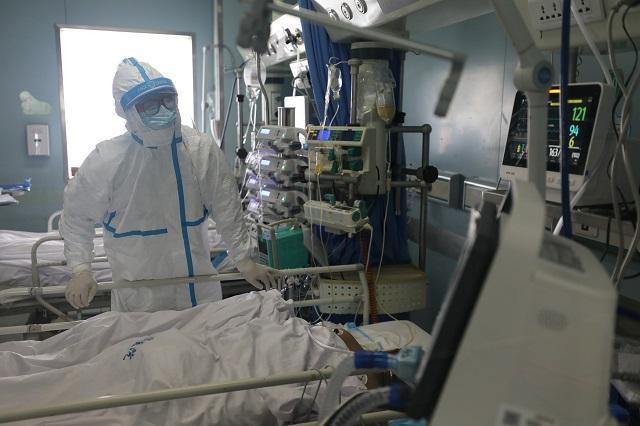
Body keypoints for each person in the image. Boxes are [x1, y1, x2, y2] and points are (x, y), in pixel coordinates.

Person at [60, 57, 275, 312]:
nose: (162, 109)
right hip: (138, 302)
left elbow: (227, 208)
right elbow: (76, 218)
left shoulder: (199, 149)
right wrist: (81, 269)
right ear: (126, 111)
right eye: (149, 105)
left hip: (200, 296)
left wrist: (244, 260)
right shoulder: (107, 160)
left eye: (167, 99)